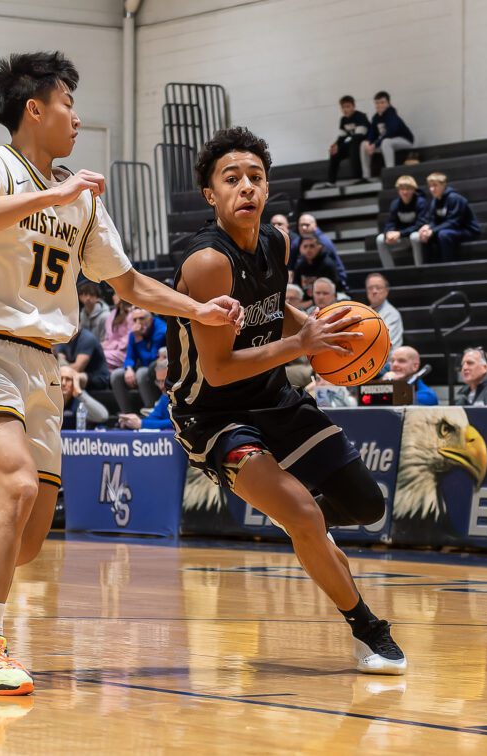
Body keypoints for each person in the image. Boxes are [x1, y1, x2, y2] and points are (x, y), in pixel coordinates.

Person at [0, 51, 242, 697]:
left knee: (24, 540)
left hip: (43, 365)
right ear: (35, 108)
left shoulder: (79, 199)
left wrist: (198, 308)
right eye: (67, 104)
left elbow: (127, 281)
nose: (77, 119)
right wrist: (54, 193)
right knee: (17, 489)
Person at [166, 125, 406, 675]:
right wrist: (300, 346)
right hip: (212, 412)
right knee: (302, 513)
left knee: (367, 507)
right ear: (212, 195)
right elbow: (220, 369)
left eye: (255, 177)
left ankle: (301, 525)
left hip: (272, 394)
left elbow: (275, 309)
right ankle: (368, 629)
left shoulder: (276, 242)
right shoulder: (208, 264)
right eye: (232, 179)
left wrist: (324, 335)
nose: (246, 187)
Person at [409, 173, 480, 265]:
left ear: (443, 185)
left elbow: (454, 222)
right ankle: (427, 267)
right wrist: (427, 228)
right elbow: (434, 220)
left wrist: (433, 230)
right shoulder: (435, 200)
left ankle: (447, 266)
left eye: (435, 186)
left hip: (467, 230)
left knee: (443, 234)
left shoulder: (455, 198)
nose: (432, 189)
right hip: (449, 229)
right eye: (430, 186)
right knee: (424, 236)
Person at [111, 308, 167, 412]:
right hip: (144, 366)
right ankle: (127, 415)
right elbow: (129, 356)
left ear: (151, 317)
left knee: (141, 373)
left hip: (157, 367)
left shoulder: (161, 330)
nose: (138, 323)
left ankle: (150, 412)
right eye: (135, 320)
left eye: (142, 318)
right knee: (117, 375)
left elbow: (150, 360)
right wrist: (128, 369)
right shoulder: (134, 332)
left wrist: (138, 339)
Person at [360, 91, 414, 179]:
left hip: (404, 140)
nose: (379, 105)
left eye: (382, 102)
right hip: (386, 142)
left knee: (386, 142)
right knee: (363, 144)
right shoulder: (375, 117)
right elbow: (372, 132)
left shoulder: (392, 114)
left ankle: (390, 173)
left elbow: (391, 133)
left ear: (388, 103)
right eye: (377, 103)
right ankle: (366, 176)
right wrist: (369, 143)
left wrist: (375, 144)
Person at [376, 175, 427, 268]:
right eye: (402, 189)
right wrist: (388, 233)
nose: (405, 192)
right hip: (402, 238)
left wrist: (400, 233)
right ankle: (390, 271)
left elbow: (420, 224)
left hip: (416, 238)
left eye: (408, 189)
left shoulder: (421, 202)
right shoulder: (395, 204)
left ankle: (420, 268)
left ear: (413, 189)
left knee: (414, 237)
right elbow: (390, 222)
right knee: (380, 239)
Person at [292, 214, 347, 291]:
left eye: (307, 225)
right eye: (301, 225)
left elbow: (337, 276)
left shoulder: (325, 243)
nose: (303, 228)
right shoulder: (296, 244)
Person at [327, 95, 370, 185]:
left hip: (363, 143)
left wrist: (344, 141)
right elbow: (342, 137)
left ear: (353, 106)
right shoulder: (343, 120)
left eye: (348, 107)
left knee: (353, 143)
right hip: (351, 142)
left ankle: (359, 177)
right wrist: (336, 145)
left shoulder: (360, 116)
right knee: (334, 151)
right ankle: (331, 182)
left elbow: (358, 136)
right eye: (343, 107)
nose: (345, 110)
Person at [117, 358, 171, 430]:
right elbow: (153, 418)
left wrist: (142, 424)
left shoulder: (186, 396)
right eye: (158, 381)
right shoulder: (165, 396)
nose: (161, 386)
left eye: (164, 381)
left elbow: (178, 423)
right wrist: (132, 421)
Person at [55, 325, 110, 390]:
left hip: (98, 378)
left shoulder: (87, 339)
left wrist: (60, 370)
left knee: (71, 377)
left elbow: (77, 368)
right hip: (76, 374)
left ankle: (78, 396)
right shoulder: (64, 337)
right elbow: (60, 361)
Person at [59, 365, 108, 430]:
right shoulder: (49, 398)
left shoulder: (80, 399)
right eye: (60, 379)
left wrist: (80, 394)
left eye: (68, 379)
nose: (63, 383)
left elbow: (103, 416)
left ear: (75, 382)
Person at [364, 273, 403, 349]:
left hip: (386, 358)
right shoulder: (363, 312)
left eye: (378, 288)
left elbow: (385, 343)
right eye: (370, 288)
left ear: (386, 290)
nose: (374, 291)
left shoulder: (392, 314)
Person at [101, 295, 134, 370]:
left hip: (124, 351)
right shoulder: (113, 313)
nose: (113, 296)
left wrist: (111, 346)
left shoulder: (132, 314)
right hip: (110, 348)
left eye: (115, 294)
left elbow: (129, 338)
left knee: (99, 355)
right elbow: (108, 336)